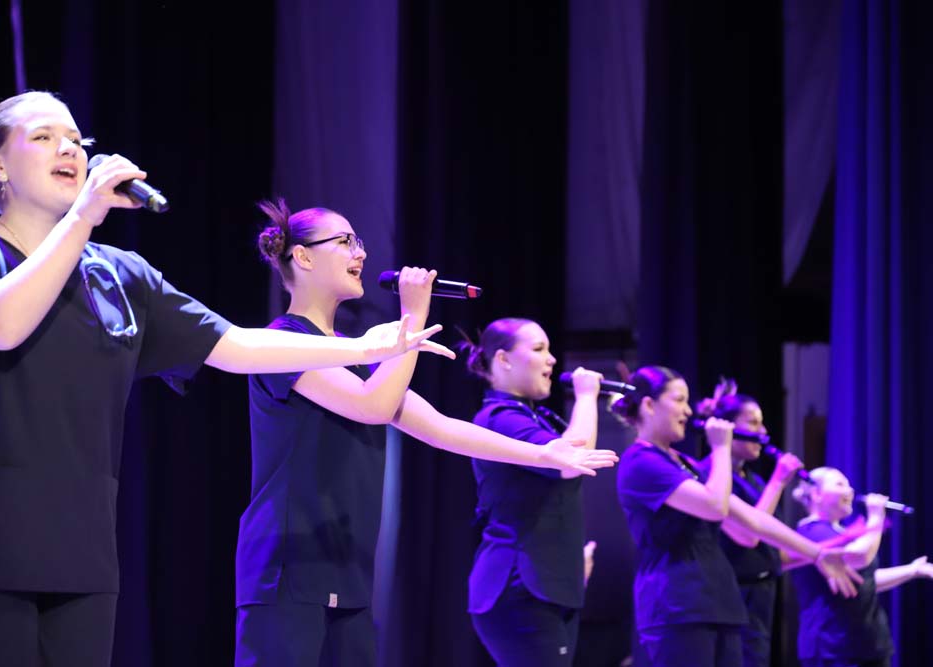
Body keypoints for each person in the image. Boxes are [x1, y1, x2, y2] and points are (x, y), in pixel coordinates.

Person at [0, 90, 448, 667]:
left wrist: (363, 346)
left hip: (83, 546)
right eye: (44, 137)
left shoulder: (120, 274)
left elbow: (235, 344)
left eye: (77, 140)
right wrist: (82, 217)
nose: (70, 150)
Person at [236, 201, 619, 667]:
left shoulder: (354, 354)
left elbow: (441, 428)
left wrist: (543, 454)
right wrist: (412, 317)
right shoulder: (283, 341)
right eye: (345, 241)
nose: (360, 252)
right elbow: (373, 406)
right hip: (288, 563)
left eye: (359, 242)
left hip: (346, 563)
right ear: (303, 257)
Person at [612, 366, 860, 667]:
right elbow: (715, 506)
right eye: (679, 400)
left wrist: (817, 553)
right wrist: (720, 449)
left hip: (718, 603)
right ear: (649, 405)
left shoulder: (684, 463)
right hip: (676, 605)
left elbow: (752, 521)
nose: (688, 411)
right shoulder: (641, 461)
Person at [458, 317, 610, 666]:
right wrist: (587, 396)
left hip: (546, 586)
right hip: (520, 586)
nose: (552, 359)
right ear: (503, 360)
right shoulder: (501, 418)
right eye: (539, 349)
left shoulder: (530, 416)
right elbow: (573, 459)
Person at [695, 387, 804, 667]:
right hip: (734, 592)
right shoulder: (709, 475)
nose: (763, 432)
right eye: (754, 423)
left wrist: (825, 553)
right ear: (729, 427)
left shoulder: (753, 479)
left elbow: (771, 546)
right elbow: (750, 536)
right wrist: (778, 481)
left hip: (761, 592)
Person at [790, 467, 933, 667]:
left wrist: (913, 570)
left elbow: (865, 580)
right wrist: (876, 517)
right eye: (840, 484)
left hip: (867, 645)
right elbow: (860, 556)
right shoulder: (810, 532)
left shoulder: (841, 533)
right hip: (833, 646)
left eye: (849, 485)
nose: (850, 490)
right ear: (816, 494)